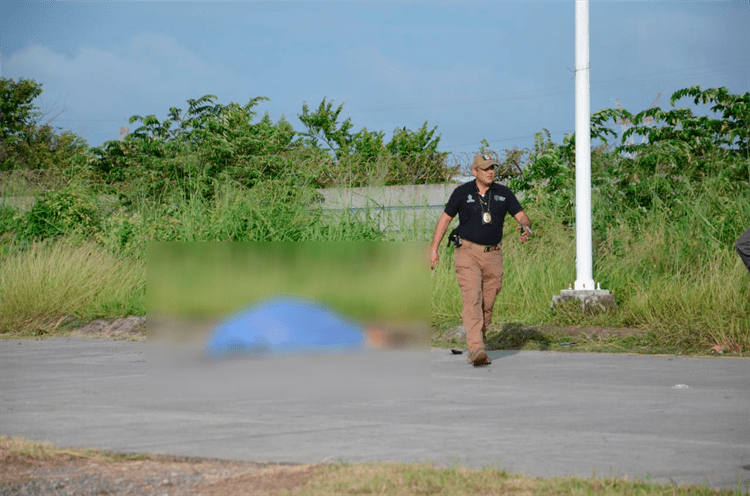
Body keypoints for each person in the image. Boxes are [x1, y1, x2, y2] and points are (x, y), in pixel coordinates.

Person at [430, 153, 532, 366]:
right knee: (472, 298)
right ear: (475, 171)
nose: (490, 172)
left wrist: (526, 226)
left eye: (492, 168)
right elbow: (445, 220)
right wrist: (434, 249)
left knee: (488, 303)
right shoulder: (462, 192)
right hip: (467, 253)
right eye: (485, 169)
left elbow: (521, 215)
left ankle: (478, 341)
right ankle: (476, 348)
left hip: (494, 255)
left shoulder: (503, 193)